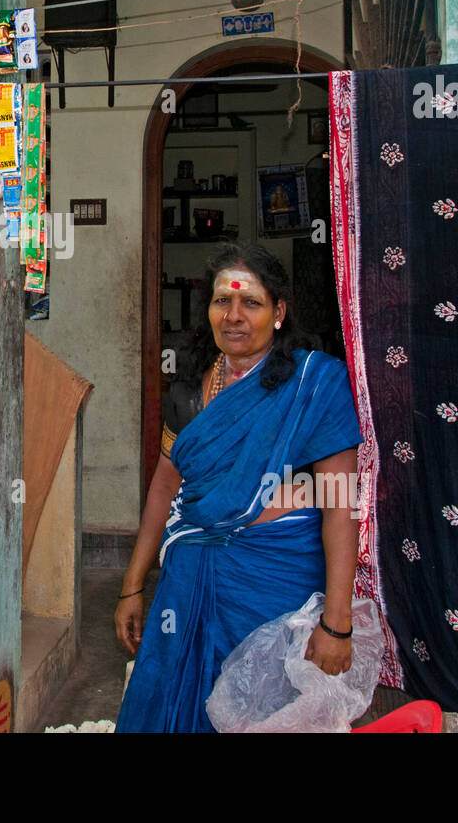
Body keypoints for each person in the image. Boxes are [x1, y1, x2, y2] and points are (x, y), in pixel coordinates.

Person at [115, 243, 362, 733]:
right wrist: (132, 585)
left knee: (262, 709)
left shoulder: (314, 385)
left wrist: (337, 622)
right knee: (175, 701)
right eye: (221, 302)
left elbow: (339, 504)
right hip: (188, 579)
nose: (234, 316)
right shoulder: (188, 389)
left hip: (274, 580)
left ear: (279, 312)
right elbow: (164, 488)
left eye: (251, 302)